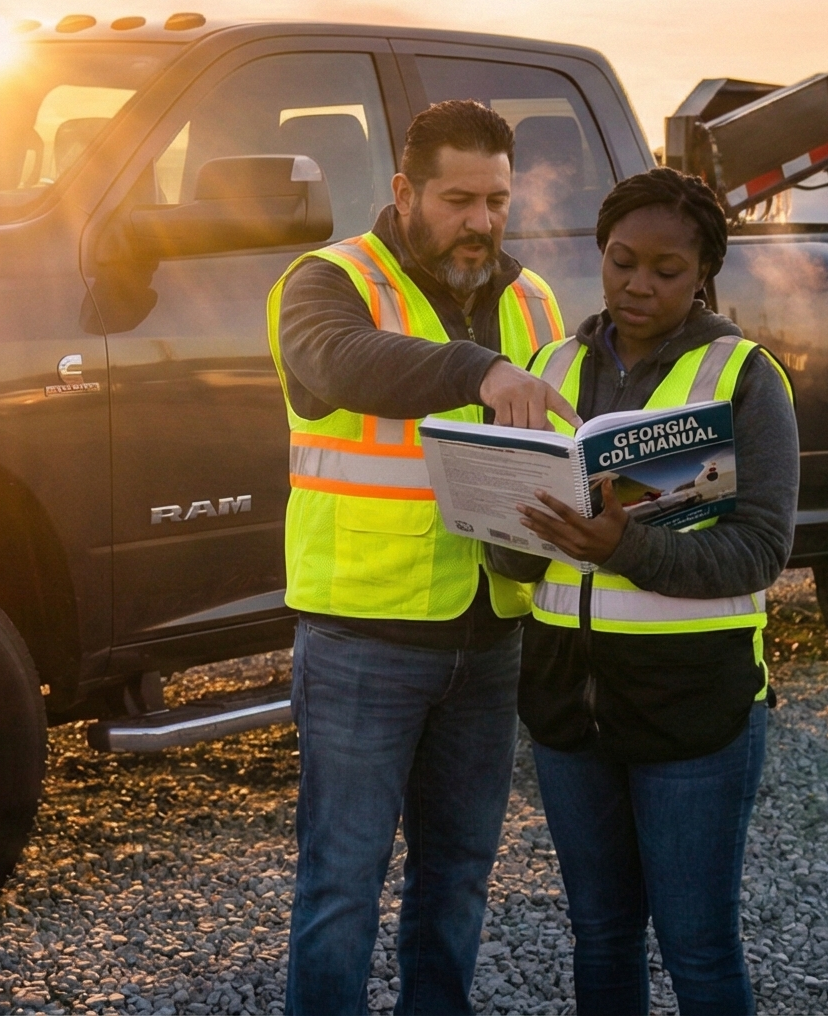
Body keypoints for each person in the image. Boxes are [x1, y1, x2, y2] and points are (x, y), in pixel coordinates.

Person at [266, 99, 576, 1015]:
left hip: (491, 637)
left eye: (497, 199)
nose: (481, 221)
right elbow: (340, 361)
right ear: (404, 191)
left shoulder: (535, 300)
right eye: (457, 198)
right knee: (340, 890)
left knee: (460, 879)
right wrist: (474, 370)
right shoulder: (326, 282)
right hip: (364, 634)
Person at [491, 167, 799, 1016]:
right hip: (568, 700)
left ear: (704, 272)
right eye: (622, 260)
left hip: (693, 703)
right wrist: (499, 518)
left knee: (698, 947)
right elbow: (522, 560)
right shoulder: (549, 364)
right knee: (601, 935)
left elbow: (761, 552)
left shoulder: (742, 376)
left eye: (666, 270)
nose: (638, 284)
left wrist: (626, 546)